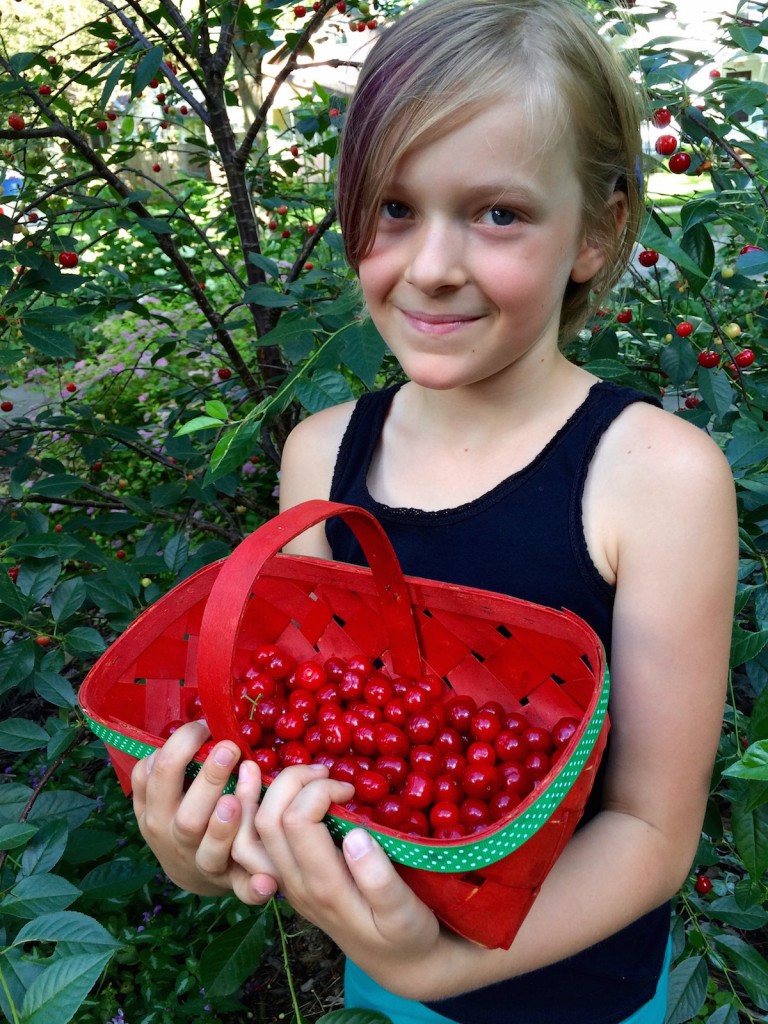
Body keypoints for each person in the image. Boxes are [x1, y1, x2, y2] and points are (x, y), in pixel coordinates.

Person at [131, 0, 738, 1021]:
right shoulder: (322, 455)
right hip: (385, 969)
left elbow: (649, 830)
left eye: (499, 213)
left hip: (578, 994)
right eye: (395, 208)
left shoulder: (657, 478)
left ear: (596, 231)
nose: (430, 265)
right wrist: (210, 844)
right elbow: (329, 754)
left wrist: (442, 966)